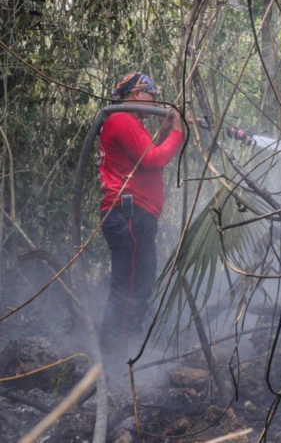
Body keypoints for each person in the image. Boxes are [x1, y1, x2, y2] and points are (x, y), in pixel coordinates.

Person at [97, 72, 183, 363]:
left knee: (139, 283)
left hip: (131, 215)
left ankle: (126, 353)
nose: (155, 102)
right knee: (129, 288)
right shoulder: (121, 120)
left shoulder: (126, 123)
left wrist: (165, 130)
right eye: (152, 96)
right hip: (128, 215)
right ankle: (114, 360)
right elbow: (154, 160)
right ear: (136, 94)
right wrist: (178, 133)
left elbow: (147, 153)